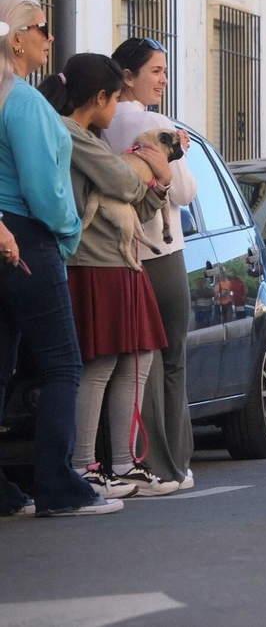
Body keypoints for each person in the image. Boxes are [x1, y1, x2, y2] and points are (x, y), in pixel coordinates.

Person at [0, 0, 121, 518]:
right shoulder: (23, 102)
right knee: (62, 365)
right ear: (16, 39)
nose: (50, 38)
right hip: (27, 238)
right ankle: (58, 487)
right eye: (41, 28)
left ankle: (6, 493)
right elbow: (43, 190)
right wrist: (69, 230)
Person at [42, 54, 178, 498]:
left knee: (136, 358)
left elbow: (139, 202)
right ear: (100, 97)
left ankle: (123, 462)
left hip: (118, 260)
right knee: (99, 363)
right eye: (116, 99)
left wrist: (158, 182)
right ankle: (85, 464)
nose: (118, 108)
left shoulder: (92, 138)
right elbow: (124, 184)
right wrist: (150, 174)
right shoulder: (70, 133)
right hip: (93, 260)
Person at [103, 37, 199, 491]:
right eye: (155, 71)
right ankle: (170, 463)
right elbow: (183, 191)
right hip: (161, 254)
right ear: (128, 76)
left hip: (113, 254)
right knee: (170, 360)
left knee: (128, 365)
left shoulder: (99, 124)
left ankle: (126, 462)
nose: (163, 79)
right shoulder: (155, 124)